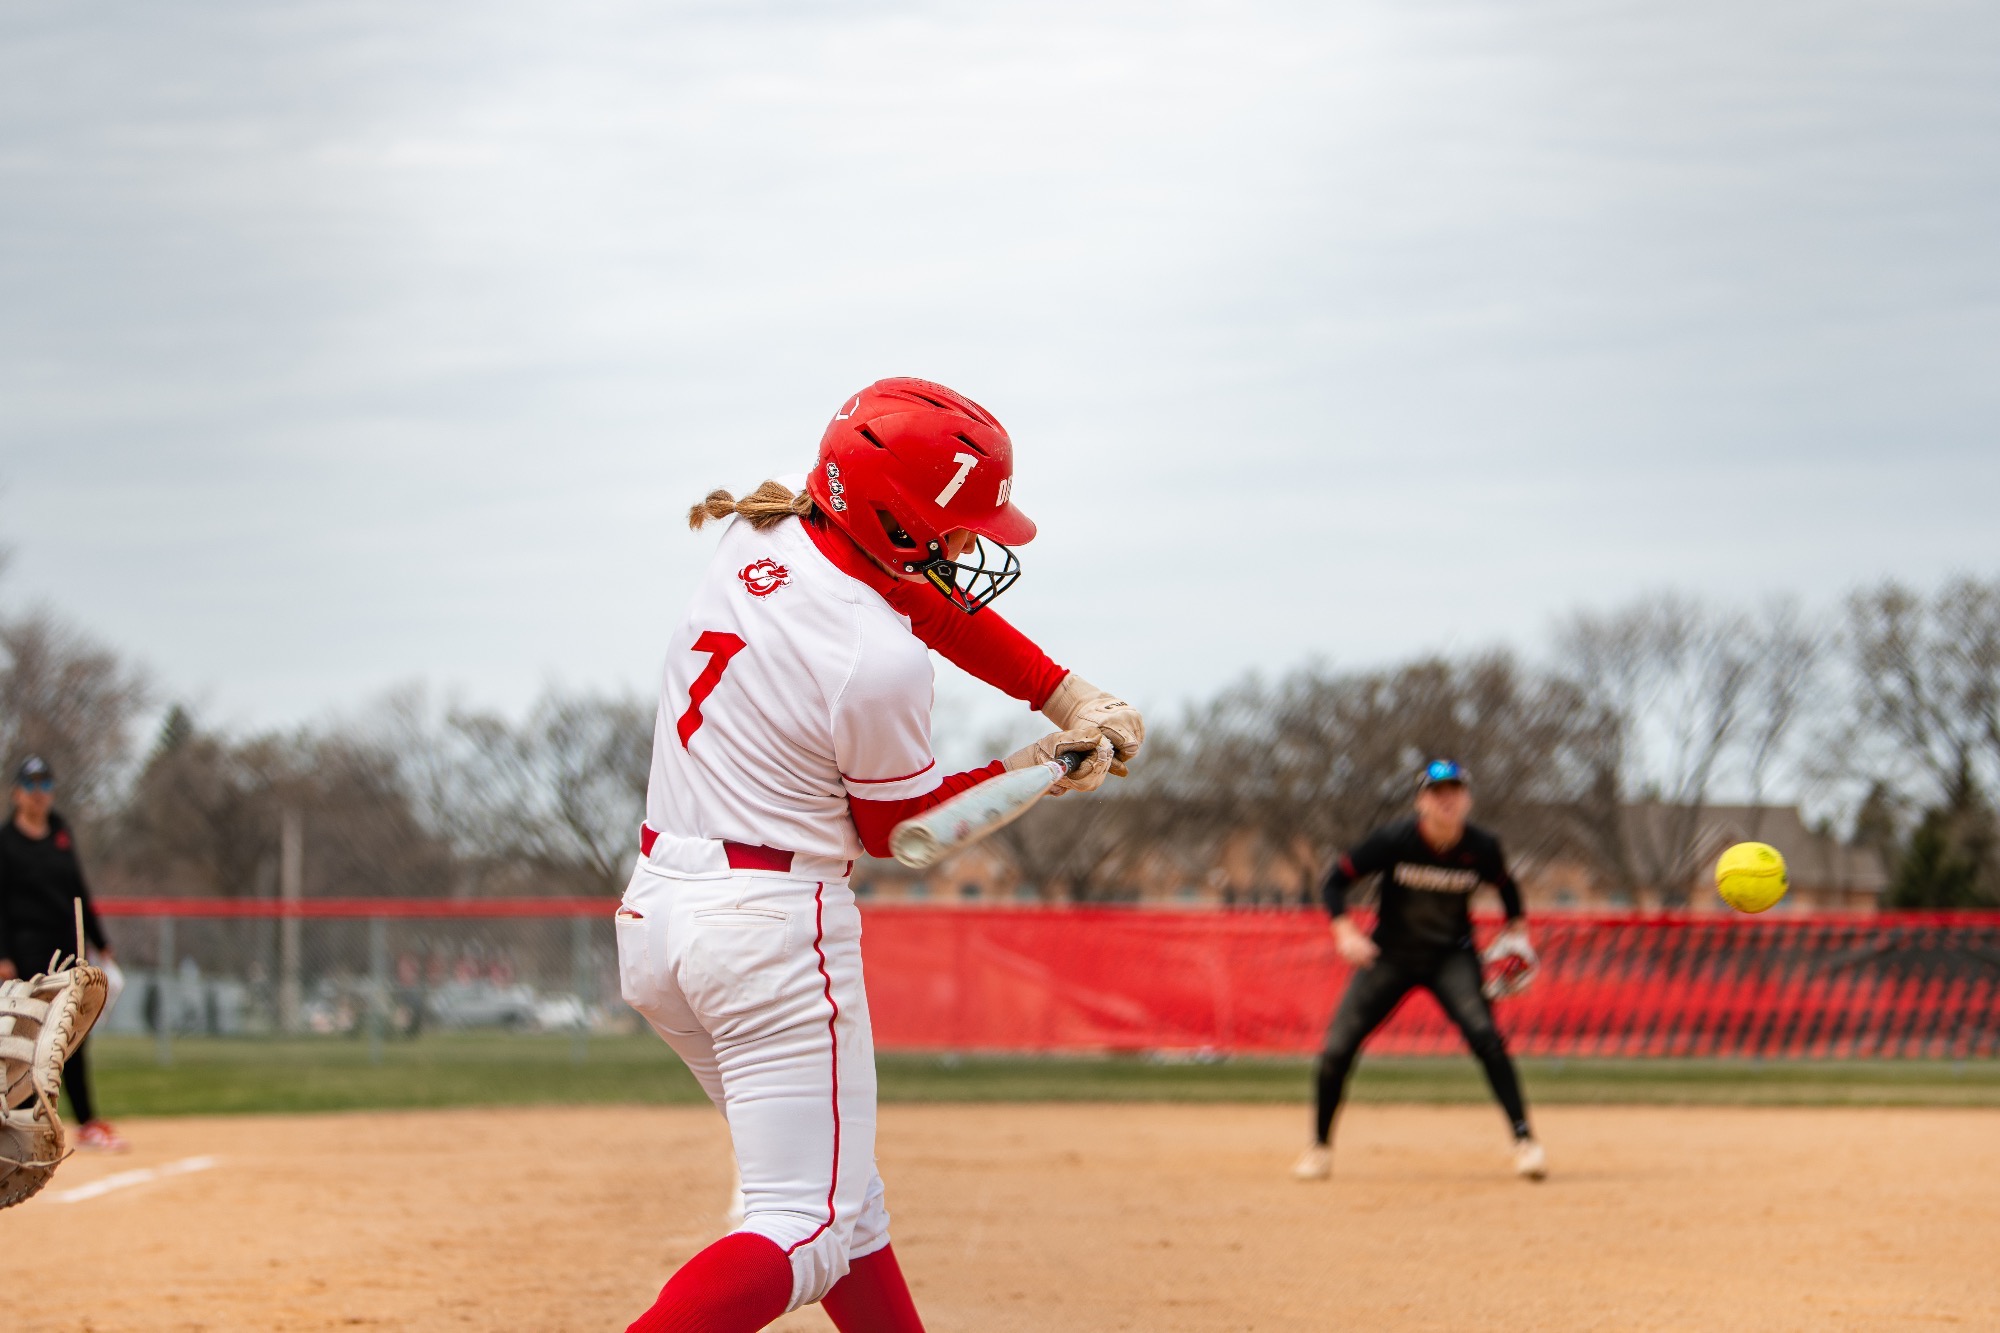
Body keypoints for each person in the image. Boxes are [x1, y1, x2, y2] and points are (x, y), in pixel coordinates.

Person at [616, 377, 1144, 1333]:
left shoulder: (779, 511)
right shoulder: (874, 659)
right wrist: (1028, 772)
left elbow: (913, 595)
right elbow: (901, 831)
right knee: (805, 1225)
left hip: (658, 916)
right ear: (897, 525)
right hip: (767, 934)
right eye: (954, 529)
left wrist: (1060, 692)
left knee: (845, 1203)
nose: (970, 546)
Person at [1293, 759, 1544, 1183]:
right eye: (1436, 793)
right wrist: (1344, 932)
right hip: (1390, 954)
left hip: (1451, 956)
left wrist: (1518, 932)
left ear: (1467, 799)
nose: (1446, 800)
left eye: (1454, 792)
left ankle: (1525, 1142)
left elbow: (1507, 889)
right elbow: (1334, 879)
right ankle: (1319, 1149)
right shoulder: (1396, 839)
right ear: (1421, 801)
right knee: (1338, 1047)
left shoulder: (1482, 847)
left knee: (1487, 1038)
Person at [0, 755, 127, 1152]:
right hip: (24, 951)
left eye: (46, 785)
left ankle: (87, 1122)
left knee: (71, 1035)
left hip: (66, 946)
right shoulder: (5, 841)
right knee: (29, 1038)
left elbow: (78, 888)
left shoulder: (60, 833)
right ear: (17, 793)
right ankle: (26, 1123)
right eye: (32, 785)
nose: (40, 794)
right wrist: (3, 955)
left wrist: (100, 939)